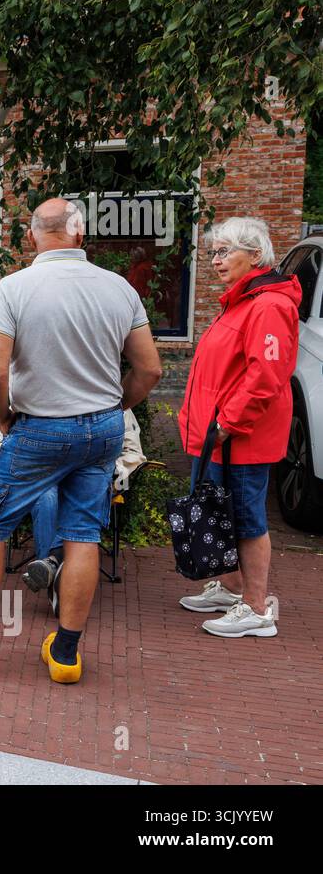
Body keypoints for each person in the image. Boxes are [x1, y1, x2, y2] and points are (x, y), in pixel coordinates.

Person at [0, 197, 162, 684]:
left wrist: (5, 422)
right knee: (84, 533)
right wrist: (115, 410)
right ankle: (65, 655)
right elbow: (149, 369)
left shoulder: (14, 288)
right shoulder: (120, 289)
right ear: (80, 233)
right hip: (103, 428)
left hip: (39, 427)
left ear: (31, 238)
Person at [176, 217, 300, 637]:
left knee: (247, 519)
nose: (215, 260)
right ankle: (231, 589)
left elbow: (266, 375)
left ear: (255, 255)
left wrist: (228, 422)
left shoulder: (268, 304)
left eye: (224, 251)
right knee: (224, 512)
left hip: (239, 439)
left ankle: (256, 608)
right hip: (219, 436)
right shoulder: (243, 301)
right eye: (213, 252)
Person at [0, 408, 146, 600]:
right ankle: (56, 577)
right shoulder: (30, 397)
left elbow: (133, 452)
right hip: (43, 476)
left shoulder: (113, 401)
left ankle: (51, 568)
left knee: (78, 492)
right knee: (45, 497)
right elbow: (0, 443)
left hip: (94, 476)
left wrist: (113, 470)